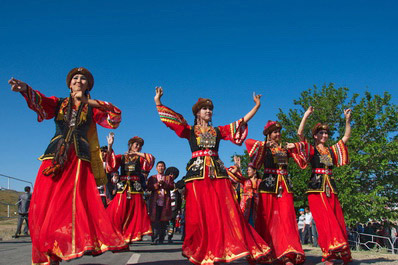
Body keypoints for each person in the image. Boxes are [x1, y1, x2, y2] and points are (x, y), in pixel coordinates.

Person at [8, 68, 127, 264]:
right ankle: (48, 250)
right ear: (69, 84)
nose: (79, 81)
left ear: (88, 86)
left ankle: (65, 245)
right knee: (45, 202)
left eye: (83, 79)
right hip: (54, 156)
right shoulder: (59, 102)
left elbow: (115, 116)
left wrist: (87, 101)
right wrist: (25, 90)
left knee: (70, 203)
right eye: (75, 78)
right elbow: (42, 103)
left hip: (79, 158)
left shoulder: (93, 107)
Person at [154, 87, 272, 264]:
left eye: (210, 109)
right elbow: (171, 122)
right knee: (198, 215)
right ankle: (200, 250)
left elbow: (239, 123)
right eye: (205, 109)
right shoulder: (190, 130)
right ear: (197, 113)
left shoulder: (217, 131)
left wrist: (256, 107)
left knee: (222, 213)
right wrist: (158, 102)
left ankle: (218, 250)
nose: (209, 111)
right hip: (196, 177)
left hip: (217, 176)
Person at [296, 106, 353, 264]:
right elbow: (300, 134)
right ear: (315, 136)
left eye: (326, 133)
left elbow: (346, 137)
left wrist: (347, 120)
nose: (325, 135)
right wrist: (306, 115)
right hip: (316, 187)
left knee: (336, 218)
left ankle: (341, 252)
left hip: (330, 188)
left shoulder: (331, 151)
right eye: (321, 132)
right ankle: (328, 253)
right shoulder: (311, 150)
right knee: (324, 220)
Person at [245, 120, 305, 265]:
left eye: (279, 131)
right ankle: (266, 252)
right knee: (267, 219)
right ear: (268, 134)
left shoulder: (285, 148)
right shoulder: (264, 148)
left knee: (287, 218)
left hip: (285, 185)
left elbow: (304, 152)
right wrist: (265, 144)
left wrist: (296, 145)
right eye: (274, 132)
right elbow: (248, 142)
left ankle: (287, 253)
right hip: (268, 185)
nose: (277, 134)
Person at [106, 134, 155, 243]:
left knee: (134, 212)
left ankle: (129, 236)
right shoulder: (122, 157)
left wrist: (136, 153)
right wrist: (110, 145)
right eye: (136, 144)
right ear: (131, 145)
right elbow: (111, 164)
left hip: (135, 188)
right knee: (118, 211)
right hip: (123, 187)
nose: (138, 147)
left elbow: (151, 159)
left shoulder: (140, 158)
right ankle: (116, 235)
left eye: (140, 146)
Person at [147, 161, 175, 244]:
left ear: (165, 168)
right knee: (154, 221)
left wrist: (164, 184)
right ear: (156, 168)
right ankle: (155, 238)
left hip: (165, 202)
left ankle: (161, 238)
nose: (161, 168)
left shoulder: (168, 178)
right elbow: (149, 188)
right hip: (154, 203)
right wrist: (157, 184)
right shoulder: (152, 178)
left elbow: (172, 186)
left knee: (163, 221)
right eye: (159, 166)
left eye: (162, 166)